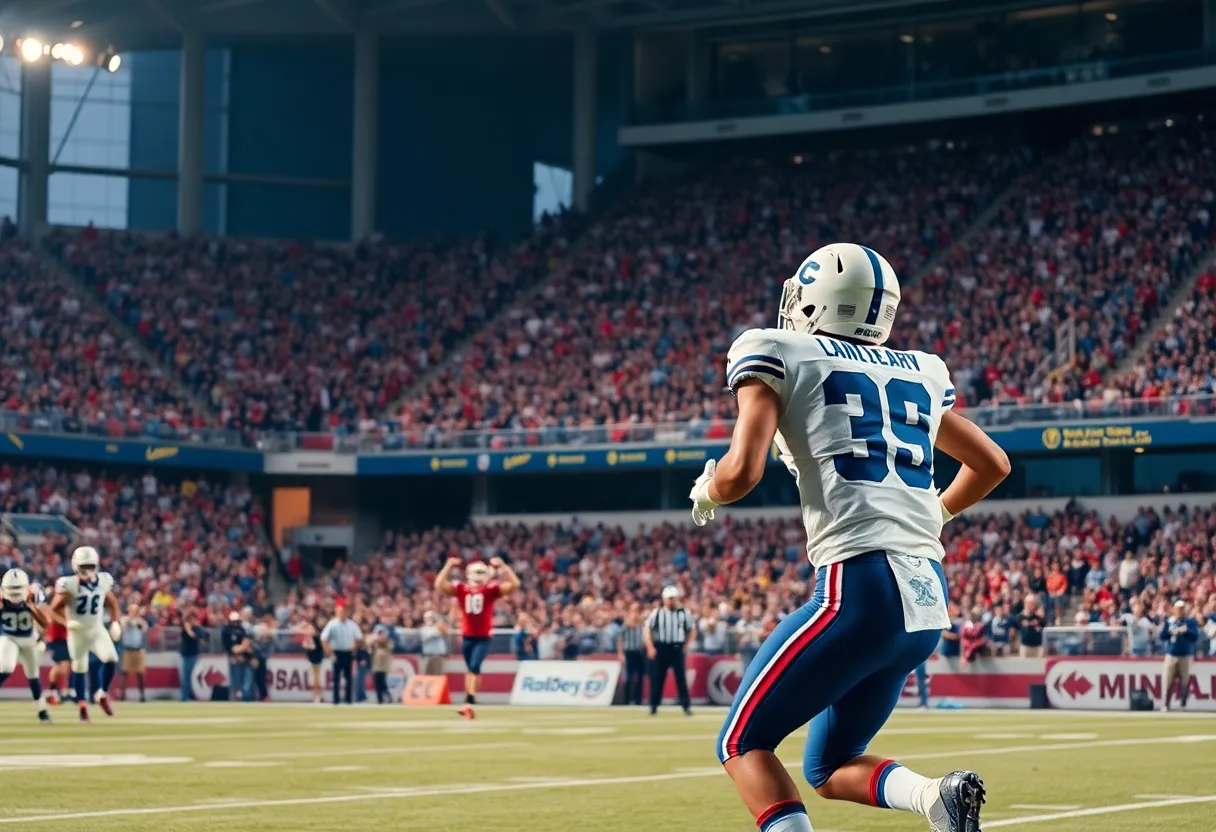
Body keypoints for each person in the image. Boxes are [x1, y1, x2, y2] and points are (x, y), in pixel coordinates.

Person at [688, 244, 1009, 832]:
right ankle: (936, 796)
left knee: (741, 743)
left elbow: (740, 474)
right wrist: (933, 514)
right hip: (926, 598)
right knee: (829, 766)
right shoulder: (920, 368)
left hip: (856, 587)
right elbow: (992, 464)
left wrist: (707, 489)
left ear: (814, 299)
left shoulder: (776, 349)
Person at [435, 556, 520, 719]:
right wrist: (447, 565)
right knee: (472, 669)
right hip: (467, 635)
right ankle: (470, 697)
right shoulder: (462, 588)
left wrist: (504, 566)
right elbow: (439, 585)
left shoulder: (490, 589)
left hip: (483, 636)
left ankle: (470, 699)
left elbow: (514, 585)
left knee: (474, 666)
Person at [50, 546, 122, 722]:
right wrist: (66, 623)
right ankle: (82, 706)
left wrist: (115, 622)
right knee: (79, 667)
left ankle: (101, 694)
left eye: (90, 566)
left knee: (111, 658)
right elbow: (53, 610)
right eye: (84, 566)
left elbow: (113, 603)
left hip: (96, 628)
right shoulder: (69, 584)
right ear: (76, 566)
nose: (87, 570)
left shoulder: (104, 580)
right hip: (77, 631)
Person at [0, 569, 52, 722]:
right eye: (11, 589)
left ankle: (42, 711)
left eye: (17, 589)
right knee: (6, 667)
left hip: (29, 638)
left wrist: (32, 608)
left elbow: (46, 623)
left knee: (33, 674)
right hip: (8, 637)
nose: (15, 593)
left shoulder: (34, 595)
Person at [643, 586, 695, 716]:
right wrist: (650, 646)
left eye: (673, 598)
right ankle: (653, 706)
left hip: (677, 648)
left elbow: (692, 629)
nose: (671, 601)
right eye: (669, 599)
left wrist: (688, 644)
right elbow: (647, 629)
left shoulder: (684, 612)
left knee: (680, 678)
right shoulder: (657, 612)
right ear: (664, 599)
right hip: (661, 647)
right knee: (657, 678)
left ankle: (685, 705)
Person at [321, 601, 362, 705]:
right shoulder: (332, 624)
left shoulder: (352, 624)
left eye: (344, 611)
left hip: (348, 652)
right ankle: (336, 699)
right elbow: (323, 638)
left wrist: (353, 648)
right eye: (340, 611)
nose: (342, 613)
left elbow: (358, 637)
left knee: (348, 677)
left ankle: (348, 699)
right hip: (337, 652)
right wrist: (329, 652)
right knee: (336, 677)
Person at [1161, 600, 1199, 711]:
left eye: (1182, 609)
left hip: (1185, 655)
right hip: (1171, 654)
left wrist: (1186, 631)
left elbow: (1195, 636)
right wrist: (1170, 632)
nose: (1180, 611)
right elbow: (1162, 636)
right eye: (1178, 609)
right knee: (1168, 681)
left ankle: (1183, 704)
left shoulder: (1189, 622)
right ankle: (1166, 704)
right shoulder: (1169, 622)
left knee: (1184, 681)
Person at [617, 603, 646, 706]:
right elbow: (620, 639)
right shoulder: (626, 626)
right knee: (629, 677)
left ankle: (638, 700)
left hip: (640, 652)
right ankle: (627, 700)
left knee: (640, 677)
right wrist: (620, 653)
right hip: (629, 652)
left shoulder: (642, 625)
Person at [119, 604, 149, 703]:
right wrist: (130, 619)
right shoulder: (124, 620)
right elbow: (122, 626)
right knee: (124, 673)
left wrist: (136, 620)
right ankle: (123, 695)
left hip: (138, 649)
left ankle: (142, 695)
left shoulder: (140, 621)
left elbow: (142, 627)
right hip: (127, 649)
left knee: (140, 673)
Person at [221, 612, 253, 701]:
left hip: (244, 658)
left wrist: (241, 648)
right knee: (235, 679)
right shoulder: (226, 630)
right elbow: (230, 647)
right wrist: (238, 651)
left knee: (244, 679)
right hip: (233, 657)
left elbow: (246, 642)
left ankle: (244, 697)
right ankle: (234, 697)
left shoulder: (241, 629)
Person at [179, 607, 203, 702]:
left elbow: (197, 636)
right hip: (185, 654)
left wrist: (191, 628)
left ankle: (189, 694)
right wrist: (187, 628)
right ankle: (185, 696)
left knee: (189, 676)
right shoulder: (184, 629)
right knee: (185, 676)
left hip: (193, 654)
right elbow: (187, 635)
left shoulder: (197, 628)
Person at [370, 621, 394, 704]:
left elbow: (389, 646)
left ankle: (387, 696)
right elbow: (368, 645)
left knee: (383, 683)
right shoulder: (374, 643)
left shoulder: (388, 642)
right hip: (376, 665)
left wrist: (381, 640)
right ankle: (379, 699)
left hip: (383, 666)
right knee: (377, 683)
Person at [419, 610, 449, 675]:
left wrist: (437, 617)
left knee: (438, 676)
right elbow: (429, 635)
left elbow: (445, 632)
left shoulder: (438, 627)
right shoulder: (423, 629)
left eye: (430, 618)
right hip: (427, 656)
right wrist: (439, 629)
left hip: (438, 656)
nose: (429, 620)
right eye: (427, 618)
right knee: (427, 676)